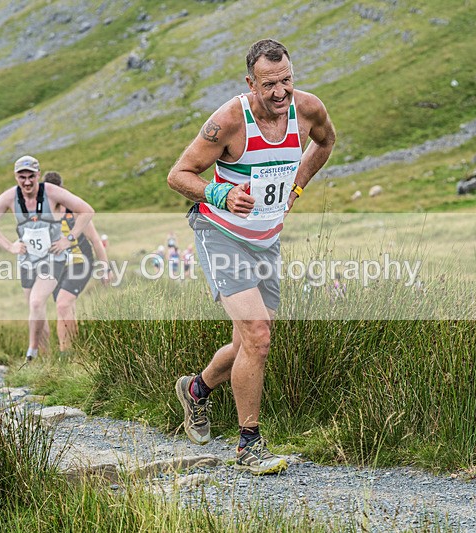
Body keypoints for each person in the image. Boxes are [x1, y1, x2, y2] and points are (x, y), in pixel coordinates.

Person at [167, 39, 336, 475]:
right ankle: (248, 445)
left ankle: (197, 390)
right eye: (269, 85)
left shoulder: (308, 109)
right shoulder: (229, 120)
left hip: (266, 239)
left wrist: (297, 186)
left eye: (286, 81)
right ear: (250, 83)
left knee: (248, 343)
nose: (280, 93)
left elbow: (326, 142)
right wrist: (221, 193)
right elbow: (178, 174)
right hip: (219, 233)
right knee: (259, 335)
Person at [0, 158, 94, 362]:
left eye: (31, 176)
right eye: (22, 177)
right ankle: (44, 359)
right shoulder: (10, 197)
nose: (27, 182)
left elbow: (86, 210)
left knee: (36, 302)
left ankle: (31, 352)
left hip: (52, 258)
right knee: (36, 310)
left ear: (38, 175)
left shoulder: (51, 192)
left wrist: (68, 239)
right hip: (27, 260)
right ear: (16, 177)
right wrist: (9, 246)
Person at [42, 170, 111, 354]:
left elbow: (96, 240)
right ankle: (74, 351)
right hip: (58, 266)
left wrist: (105, 268)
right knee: (65, 309)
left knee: (63, 304)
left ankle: (65, 353)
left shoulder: (76, 210)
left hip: (81, 261)